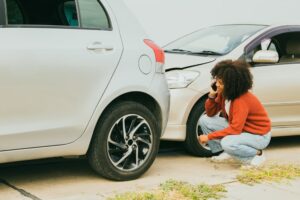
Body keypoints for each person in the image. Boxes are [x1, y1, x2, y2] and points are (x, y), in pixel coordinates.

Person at [198, 60, 271, 167]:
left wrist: (209, 137)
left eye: (221, 83)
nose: (217, 84)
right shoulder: (226, 94)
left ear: (231, 85)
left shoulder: (241, 100)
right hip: (243, 129)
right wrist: (212, 96)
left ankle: (257, 155)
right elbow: (210, 113)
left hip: (258, 135)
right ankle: (226, 152)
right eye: (217, 80)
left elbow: (235, 129)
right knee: (204, 120)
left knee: (227, 143)